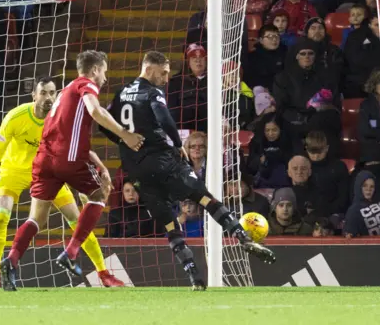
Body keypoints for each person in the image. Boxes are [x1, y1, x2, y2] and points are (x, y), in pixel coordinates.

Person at [101, 51, 275, 290]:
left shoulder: (121, 93)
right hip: (163, 162)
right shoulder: (152, 92)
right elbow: (163, 117)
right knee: (204, 198)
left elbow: (104, 123)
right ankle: (242, 237)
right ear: (149, 69)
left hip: (137, 170)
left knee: (170, 224)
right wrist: (177, 143)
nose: (165, 79)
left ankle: (194, 277)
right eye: (163, 73)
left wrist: (123, 138)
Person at [0, 51, 144, 291]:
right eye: (104, 71)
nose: (105, 78)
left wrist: (97, 161)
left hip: (44, 159)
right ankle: (72, 252)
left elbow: (65, 133)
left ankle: (12, 259)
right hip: (68, 159)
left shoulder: (64, 92)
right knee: (100, 194)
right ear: (95, 69)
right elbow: (96, 111)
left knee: (37, 218)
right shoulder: (85, 85)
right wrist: (125, 135)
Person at [0, 77, 126, 288]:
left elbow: (78, 146)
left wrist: (92, 171)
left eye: (52, 93)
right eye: (43, 93)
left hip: (47, 171)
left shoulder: (59, 117)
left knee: (76, 219)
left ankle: (103, 273)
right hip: (14, 172)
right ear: (33, 95)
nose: (48, 98)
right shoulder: (16, 117)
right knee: (1, 217)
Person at [306, 131, 350, 221]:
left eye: (319, 152)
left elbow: (344, 198)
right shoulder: (302, 167)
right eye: (312, 152)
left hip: (334, 213)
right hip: (308, 213)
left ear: (327, 148)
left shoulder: (339, 167)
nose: (316, 156)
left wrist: (324, 212)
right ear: (306, 149)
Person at [167, 44, 208, 132]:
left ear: (206, 60)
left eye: (201, 58)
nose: (198, 61)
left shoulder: (214, 80)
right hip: (183, 128)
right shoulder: (176, 81)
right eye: (194, 58)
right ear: (188, 62)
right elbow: (171, 108)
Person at [344, 170, 380, 237]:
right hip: (372, 246)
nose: (368, 189)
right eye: (365, 186)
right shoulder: (353, 210)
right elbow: (349, 234)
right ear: (358, 186)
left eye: (372, 186)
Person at [247, 112, 292, 189]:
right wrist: (260, 161)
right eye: (267, 130)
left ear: (281, 130)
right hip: (262, 185)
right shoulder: (257, 142)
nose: (270, 134)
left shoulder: (289, 141)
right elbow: (250, 168)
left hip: (285, 185)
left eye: (274, 130)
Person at [358, 70, 380, 163]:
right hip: (369, 146)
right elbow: (364, 130)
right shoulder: (365, 105)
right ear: (374, 85)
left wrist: (375, 125)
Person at [244, 24, 286, 91]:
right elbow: (250, 81)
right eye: (270, 37)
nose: (274, 39)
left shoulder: (285, 53)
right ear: (261, 40)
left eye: (277, 36)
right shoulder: (252, 58)